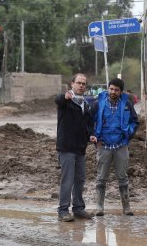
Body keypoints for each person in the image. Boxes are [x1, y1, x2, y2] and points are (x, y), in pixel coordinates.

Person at [91, 78, 139, 216]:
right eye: (111, 89)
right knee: (101, 178)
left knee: (123, 177)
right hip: (103, 146)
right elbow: (89, 122)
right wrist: (94, 137)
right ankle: (99, 207)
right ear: (108, 88)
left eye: (116, 90)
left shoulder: (127, 105)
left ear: (121, 91)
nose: (113, 92)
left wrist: (128, 135)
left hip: (121, 146)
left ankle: (126, 207)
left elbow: (135, 122)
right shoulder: (97, 104)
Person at [55, 73, 95, 222]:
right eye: (78, 83)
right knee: (67, 180)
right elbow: (58, 99)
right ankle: (63, 211)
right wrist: (65, 97)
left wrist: (90, 135)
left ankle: (78, 208)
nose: (81, 86)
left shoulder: (85, 103)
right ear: (72, 84)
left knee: (80, 179)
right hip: (66, 148)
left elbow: (87, 125)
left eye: (83, 84)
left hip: (80, 148)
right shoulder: (66, 101)